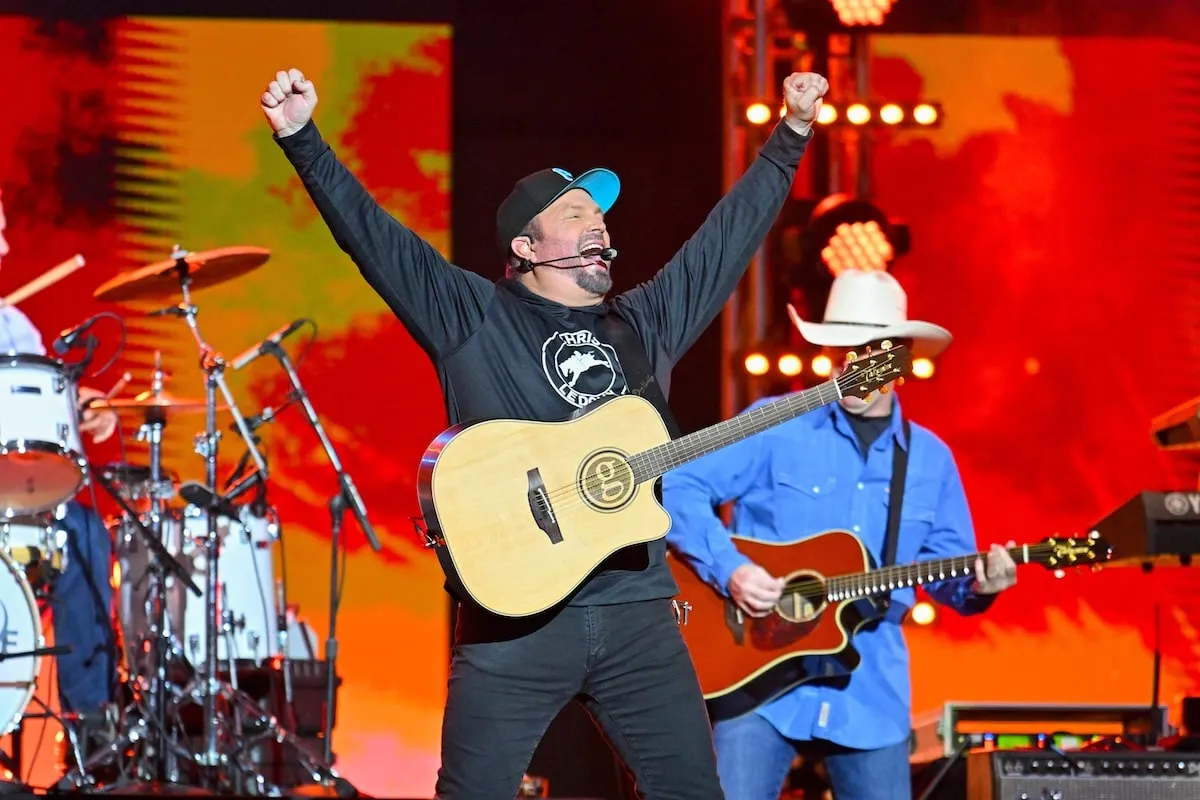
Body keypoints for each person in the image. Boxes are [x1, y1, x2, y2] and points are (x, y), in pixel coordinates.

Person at [260, 66, 827, 798]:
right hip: (513, 624)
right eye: (574, 212)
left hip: (637, 617)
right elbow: (374, 240)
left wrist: (791, 136)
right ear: (526, 247)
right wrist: (303, 140)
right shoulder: (471, 314)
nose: (598, 223)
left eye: (600, 215)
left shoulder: (642, 321)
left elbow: (723, 243)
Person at [662, 268, 1019, 800]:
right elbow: (678, 482)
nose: (852, 366)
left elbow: (951, 571)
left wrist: (981, 584)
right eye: (843, 350)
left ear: (900, 362)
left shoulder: (930, 461)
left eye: (869, 352)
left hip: (869, 690)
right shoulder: (776, 422)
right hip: (755, 677)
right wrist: (731, 569)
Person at [0, 190, 119, 729]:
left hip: (14, 493)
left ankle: (90, 725)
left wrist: (86, 405)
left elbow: (46, 399)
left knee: (89, 533)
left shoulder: (14, 326)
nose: (4, 247)